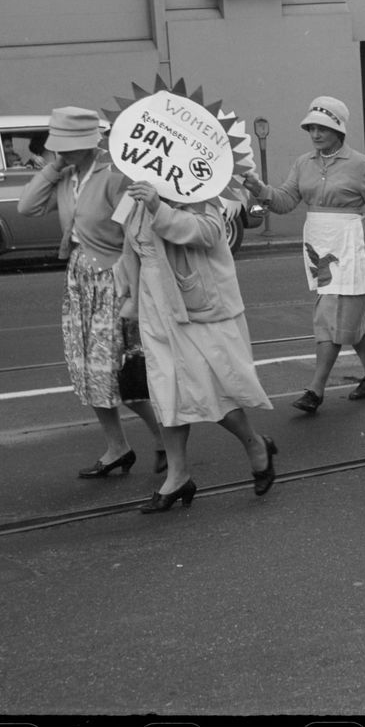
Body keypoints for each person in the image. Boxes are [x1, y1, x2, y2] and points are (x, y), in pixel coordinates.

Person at [17, 106, 165, 478]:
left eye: (67, 146)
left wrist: (133, 291)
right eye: (57, 146)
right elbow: (27, 206)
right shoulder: (66, 176)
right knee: (87, 370)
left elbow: (136, 234)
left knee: (119, 372)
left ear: (88, 144)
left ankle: (164, 439)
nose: (60, 152)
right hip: (79, 279)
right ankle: (118, 447)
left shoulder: (115, 175)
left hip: (114, 279)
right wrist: (52, 168)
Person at [242, 96, 365, 412]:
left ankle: (315, 388)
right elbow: (283, 201)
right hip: (319, 246)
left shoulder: (361, 166)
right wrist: (258, 192)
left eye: (323, 128)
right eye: (312, 129)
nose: (316, 134)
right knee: (345, 316)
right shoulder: (303, 163)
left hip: (351, 248)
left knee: (333, 316)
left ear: (339, 131)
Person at [116, 181, 276, 513]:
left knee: (209, 390)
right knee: (166, 392)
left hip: (195, 309)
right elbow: (131, 248)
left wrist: (159, 207)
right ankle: (178, 476)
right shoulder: (137, 193)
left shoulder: (202, 192)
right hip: (153, 307)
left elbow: (207, 233)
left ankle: (255, 445)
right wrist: (128, 295)